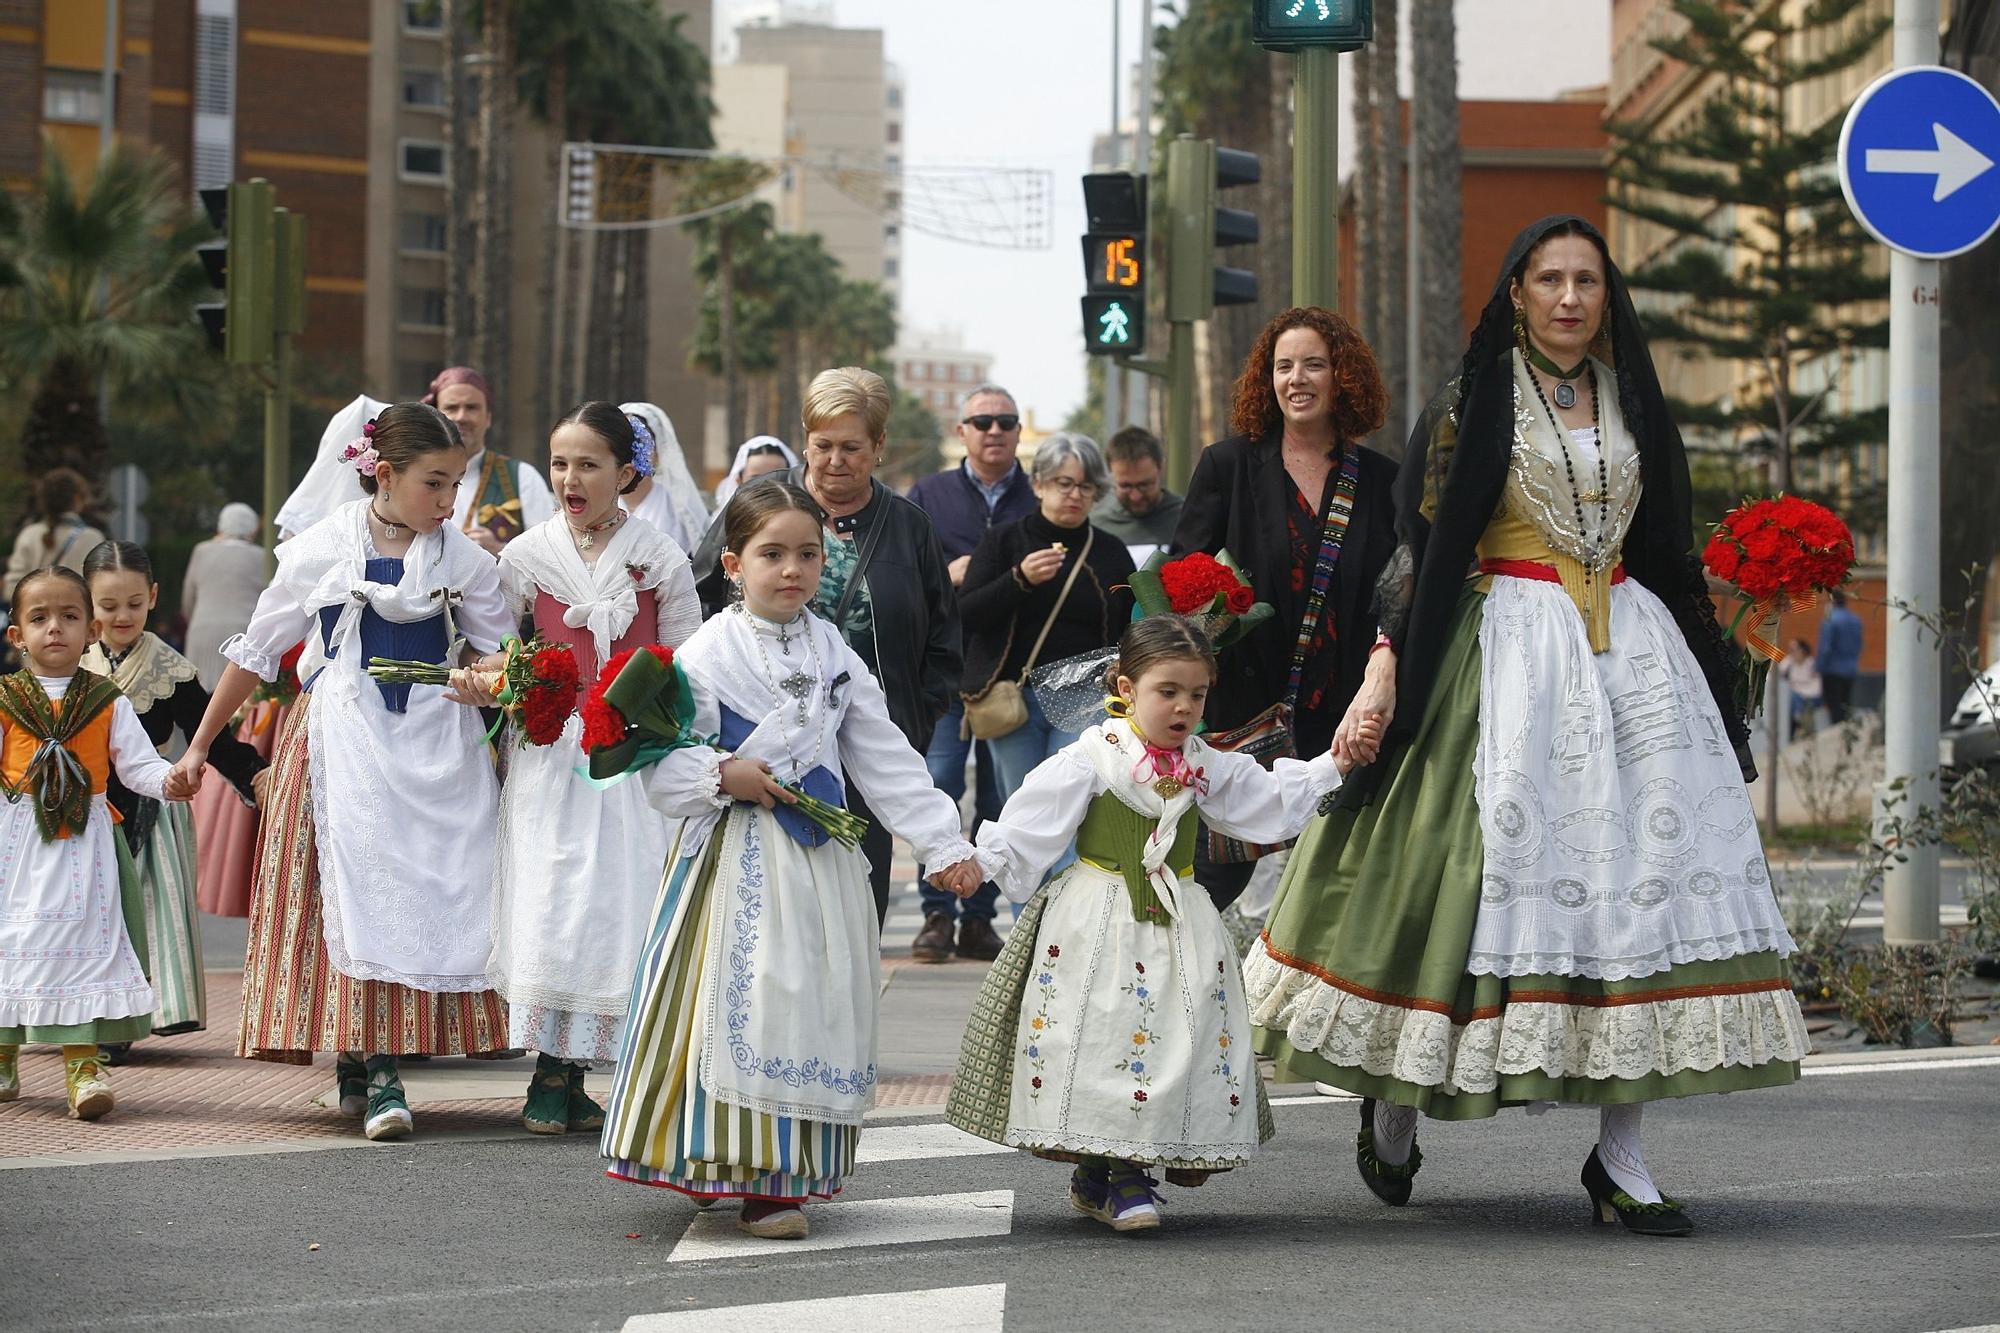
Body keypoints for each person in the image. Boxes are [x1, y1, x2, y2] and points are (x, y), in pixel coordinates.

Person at [1246, 216, 1809, 1238]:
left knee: (1632, 903)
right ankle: (1396, 1100)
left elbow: (1669, 548)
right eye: (1545, 278)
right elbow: (1419, 549)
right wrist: (1382, 670)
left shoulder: (1632, 400)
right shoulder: (1472, 401)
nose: (1564, 297)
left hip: (1630, 660)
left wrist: (1723, 686)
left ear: (1605, 295)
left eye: (1583, 280)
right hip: (1500, 653)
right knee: (1456, 887)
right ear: (1513, 291)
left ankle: (1620, 1156)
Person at [601, 481, 983, 1240]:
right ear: (735, 564)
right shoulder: (707, 651)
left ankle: (780, 1176)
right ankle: (725, 1161)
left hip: (820, 861)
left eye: (807, 554)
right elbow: (661, 768)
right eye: (772, 554)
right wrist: (722, 774)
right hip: (737, 854)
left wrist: (943, 841)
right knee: (741, 997)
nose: (792, 570)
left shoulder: (831, 648)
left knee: (811, 1001)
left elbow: (882, 753)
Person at [947, 615, 1379, 1231]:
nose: (1183, 708)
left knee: (1172, 1034)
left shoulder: (1205, 762)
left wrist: (1334, 764)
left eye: (1196, 695)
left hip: (1178, 915)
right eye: (1167, 692)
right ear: (1126, 687)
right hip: (1097, 916)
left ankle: (1114, 1173)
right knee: (1102, 1034)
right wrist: (979, 863)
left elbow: (1266, 803)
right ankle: (1114, 1174)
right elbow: (1029, 824)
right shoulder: (1091, 758)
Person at [171, 402, 516, 1142]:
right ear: (384, 475)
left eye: (456, 483)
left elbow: (502, 655)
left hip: (436, 746)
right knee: (348, 896)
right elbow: (255, 653)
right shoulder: (319, 550)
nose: (449, 501)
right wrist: (200, 745)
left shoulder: (464, 560)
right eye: (435, 483)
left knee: (428, 892)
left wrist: (482, 679)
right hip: (339, 739)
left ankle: (371, 1064)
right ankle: (375, 1067)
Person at [469, 401, 701, 1134]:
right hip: (550, 756)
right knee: (555, 896)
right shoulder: (527, 556)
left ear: (626, 472)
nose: (571, 477)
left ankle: (582, 1072)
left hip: (629, 759)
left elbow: (687, 660)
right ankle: (548, 1072)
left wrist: (653, 714)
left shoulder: (656, 555)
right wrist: (508, 682)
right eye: (561, 462)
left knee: (617, 901)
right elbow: (495, 645)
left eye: (589, 464)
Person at [689, 369, 961, 927]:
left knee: (855, 910)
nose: (835, 460)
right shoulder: (758, 502)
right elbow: (699, 599)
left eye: (852, 448)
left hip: (863, 741)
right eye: (823, 445)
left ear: (879, 447)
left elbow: (941, 638)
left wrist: (913, 718)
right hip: (756, 752)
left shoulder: (909, 528)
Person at [1170, 307, 1400, 912]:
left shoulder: (1380, 482)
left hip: (1343, 715)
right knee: (1212, 877)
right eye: (1283, 366)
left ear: (1342, 376)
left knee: (1336, 879)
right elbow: (1176, 582)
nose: (1297, 379)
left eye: (1314, 365)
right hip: (1243, 715)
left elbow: (1398, 593)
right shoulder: (1228, 465)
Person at [0, 567, 196, 1120]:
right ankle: (4, 1054)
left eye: (69, 616)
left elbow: (137, 765)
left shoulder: (107, 700)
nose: (54, 628)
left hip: (84, 844)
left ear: (91, 629)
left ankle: (83, 1065)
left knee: (85, 945)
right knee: (11, 939)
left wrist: (170, 779)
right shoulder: (7, 698)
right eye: (39, 618)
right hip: (16, 839)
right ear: (17, 635)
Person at [80, 541, 267, 1048]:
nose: (122, 616)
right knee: (82, 911)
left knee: (138, 912)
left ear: (154, 597)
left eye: (134, 604)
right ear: (87, 602)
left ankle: (122, 1021)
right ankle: (75, 1012)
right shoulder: (72, 664)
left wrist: (255, 775)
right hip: (81, 811)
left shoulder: (170, 669)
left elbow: (213, 736)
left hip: (148, 807)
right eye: (108, 605)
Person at [905, 384, 1039, 959]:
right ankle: (936, 915)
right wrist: (946, 570)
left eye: (1005, 421)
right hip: (941, 672)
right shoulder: (928, 495)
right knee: (935, 791)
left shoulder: (1038, 500)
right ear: (961, 431)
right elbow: (903, 571)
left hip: (1009, 678)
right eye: (981, 420)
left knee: (1000, 801)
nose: (994, 430)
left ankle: (980, 918)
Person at [957, 432, 1136, 815]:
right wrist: (1018, 579)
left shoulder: (1110, 551)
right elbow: (965, 614)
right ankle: (1029, 878)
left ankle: (1064, 879)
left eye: (1085, 486)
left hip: (1086, 697)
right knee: (1025, 812)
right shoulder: (1004, 541)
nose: (1074, 495)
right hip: (1015, 692)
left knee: (1070, 809)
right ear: (1038, 484)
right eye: (1063, 483)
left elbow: (1129, 626)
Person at [425, 365, 557, 554]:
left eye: (472, 408)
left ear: (488, 418)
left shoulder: (522, 477)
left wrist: (500, 551)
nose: (461, 417)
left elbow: (550, 555)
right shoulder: (414, 477)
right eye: (452, 408)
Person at [181, 503, 269, 691]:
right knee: (235, 698)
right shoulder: (261, 556)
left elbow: (188, 598)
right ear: (252, 528)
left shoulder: (201, 551)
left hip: (202, 630)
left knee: (200, 695)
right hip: (242, 633)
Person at [617, 401, 711, 554]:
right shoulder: (601, 501)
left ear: (658, 453)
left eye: (641, 445)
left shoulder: (679, 509)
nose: (632, 455)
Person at [3, 469, 107, 601]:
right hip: (77, 618)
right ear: (77, 498)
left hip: (35, 618)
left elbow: (11, 589)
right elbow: (99, 589)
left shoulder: (28, 535)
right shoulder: (92, 538)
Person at [1090, 425, 1185, 562]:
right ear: (1110, 474)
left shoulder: (1186, 519)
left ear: (1161, 468)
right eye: (1125, 486)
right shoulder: (1095, 523)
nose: (1136, 496)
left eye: (1144, 485)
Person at [710, 436, 799, 513]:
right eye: (756, 479)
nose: (767, 487)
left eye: (777, 477)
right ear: (739, 481)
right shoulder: (728, 527)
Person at [1817, 590, 1863, 723]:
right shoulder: (1855, 620)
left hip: (1832, 669)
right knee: (1846, 705)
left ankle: (1838, 735)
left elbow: (1826, 647)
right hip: (1850, 668)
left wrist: (1819, 667)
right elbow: (1859, 644)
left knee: (1834, 707)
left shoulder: (1830, 619)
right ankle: (1846, 733)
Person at [1780, 638, 1823, 737]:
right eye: (1790, 651)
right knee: (1792, 699)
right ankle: (1798, 724)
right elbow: (1778, 673)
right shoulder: (1790, 663)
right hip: (1796, 695)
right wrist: (1787, 661)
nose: (1793, 654)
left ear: (1802, 650)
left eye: (1794, 650)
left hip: (1811, 695)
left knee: (1796, 700)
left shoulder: (1811, 664)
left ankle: (1800, 724)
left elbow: (1816, 686)